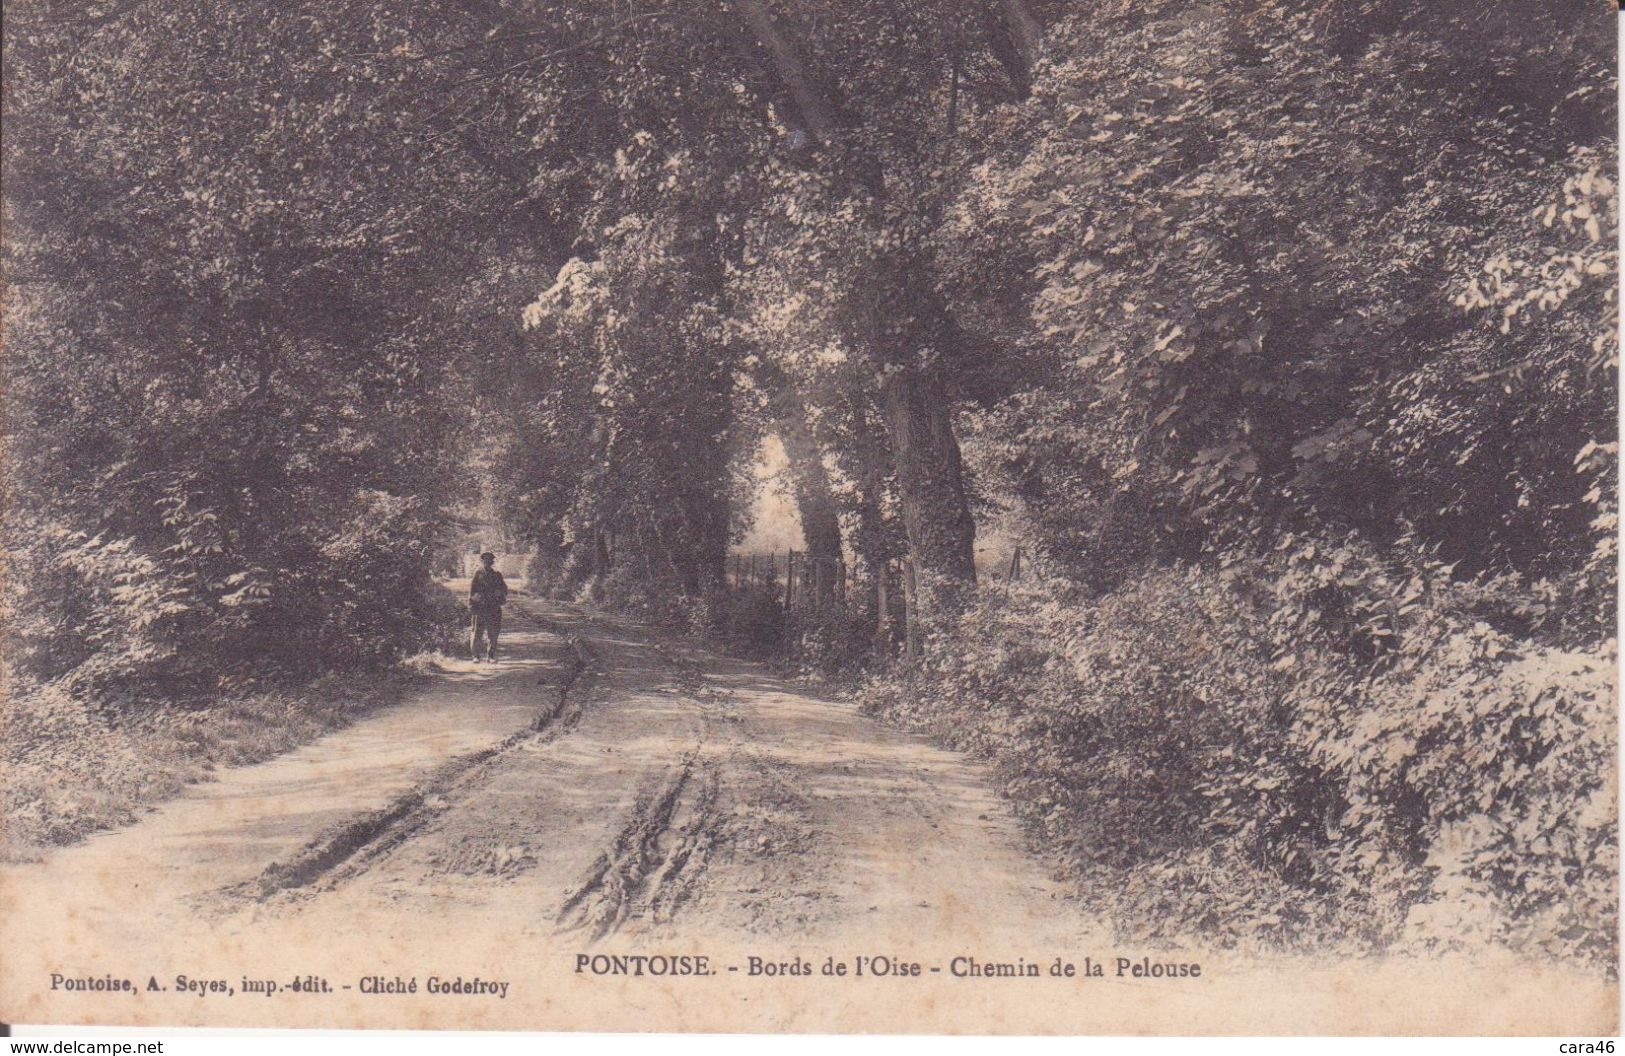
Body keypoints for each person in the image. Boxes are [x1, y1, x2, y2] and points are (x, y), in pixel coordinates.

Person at [469, 551, 509, 662]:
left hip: (493, 608)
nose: (488, 562)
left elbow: (504, 589)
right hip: (480, 608)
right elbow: (472, 591)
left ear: (492, 562)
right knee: (477, 632)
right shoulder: (478, 574)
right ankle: (475, 656)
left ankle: (490, 656)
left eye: (490, 560)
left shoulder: (497, 575)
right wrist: (472, 604)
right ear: (482, 561)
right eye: (485, 560)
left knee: (493, 633)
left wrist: (499, 592)